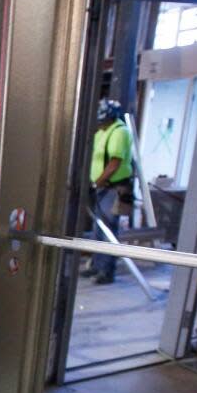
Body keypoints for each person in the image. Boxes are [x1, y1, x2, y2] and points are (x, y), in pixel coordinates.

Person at [82, 98, 135, 285]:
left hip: (113, 187)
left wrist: (98, 182)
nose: (100, 123)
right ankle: (96, 266)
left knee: (108, 230)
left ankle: (107, 271)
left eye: (102, 120)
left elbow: (114, 163)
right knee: (98, 228)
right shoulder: (102, 132)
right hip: (102, 187)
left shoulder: (120, 133)